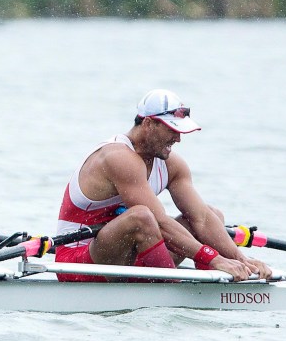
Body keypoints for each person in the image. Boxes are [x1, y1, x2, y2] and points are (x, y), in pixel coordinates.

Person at [53, 89, 272, 282]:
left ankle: (218, 280)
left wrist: (241, 259)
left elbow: (202, 219)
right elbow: (160, 222)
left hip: (128, 256)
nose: (178, 139)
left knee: (212, 214)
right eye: (172, 130)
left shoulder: (172, 165)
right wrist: (214, 257)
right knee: (141, 217)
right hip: (79, 260)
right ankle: (168, 289)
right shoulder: (117, 157)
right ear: (148, 124)